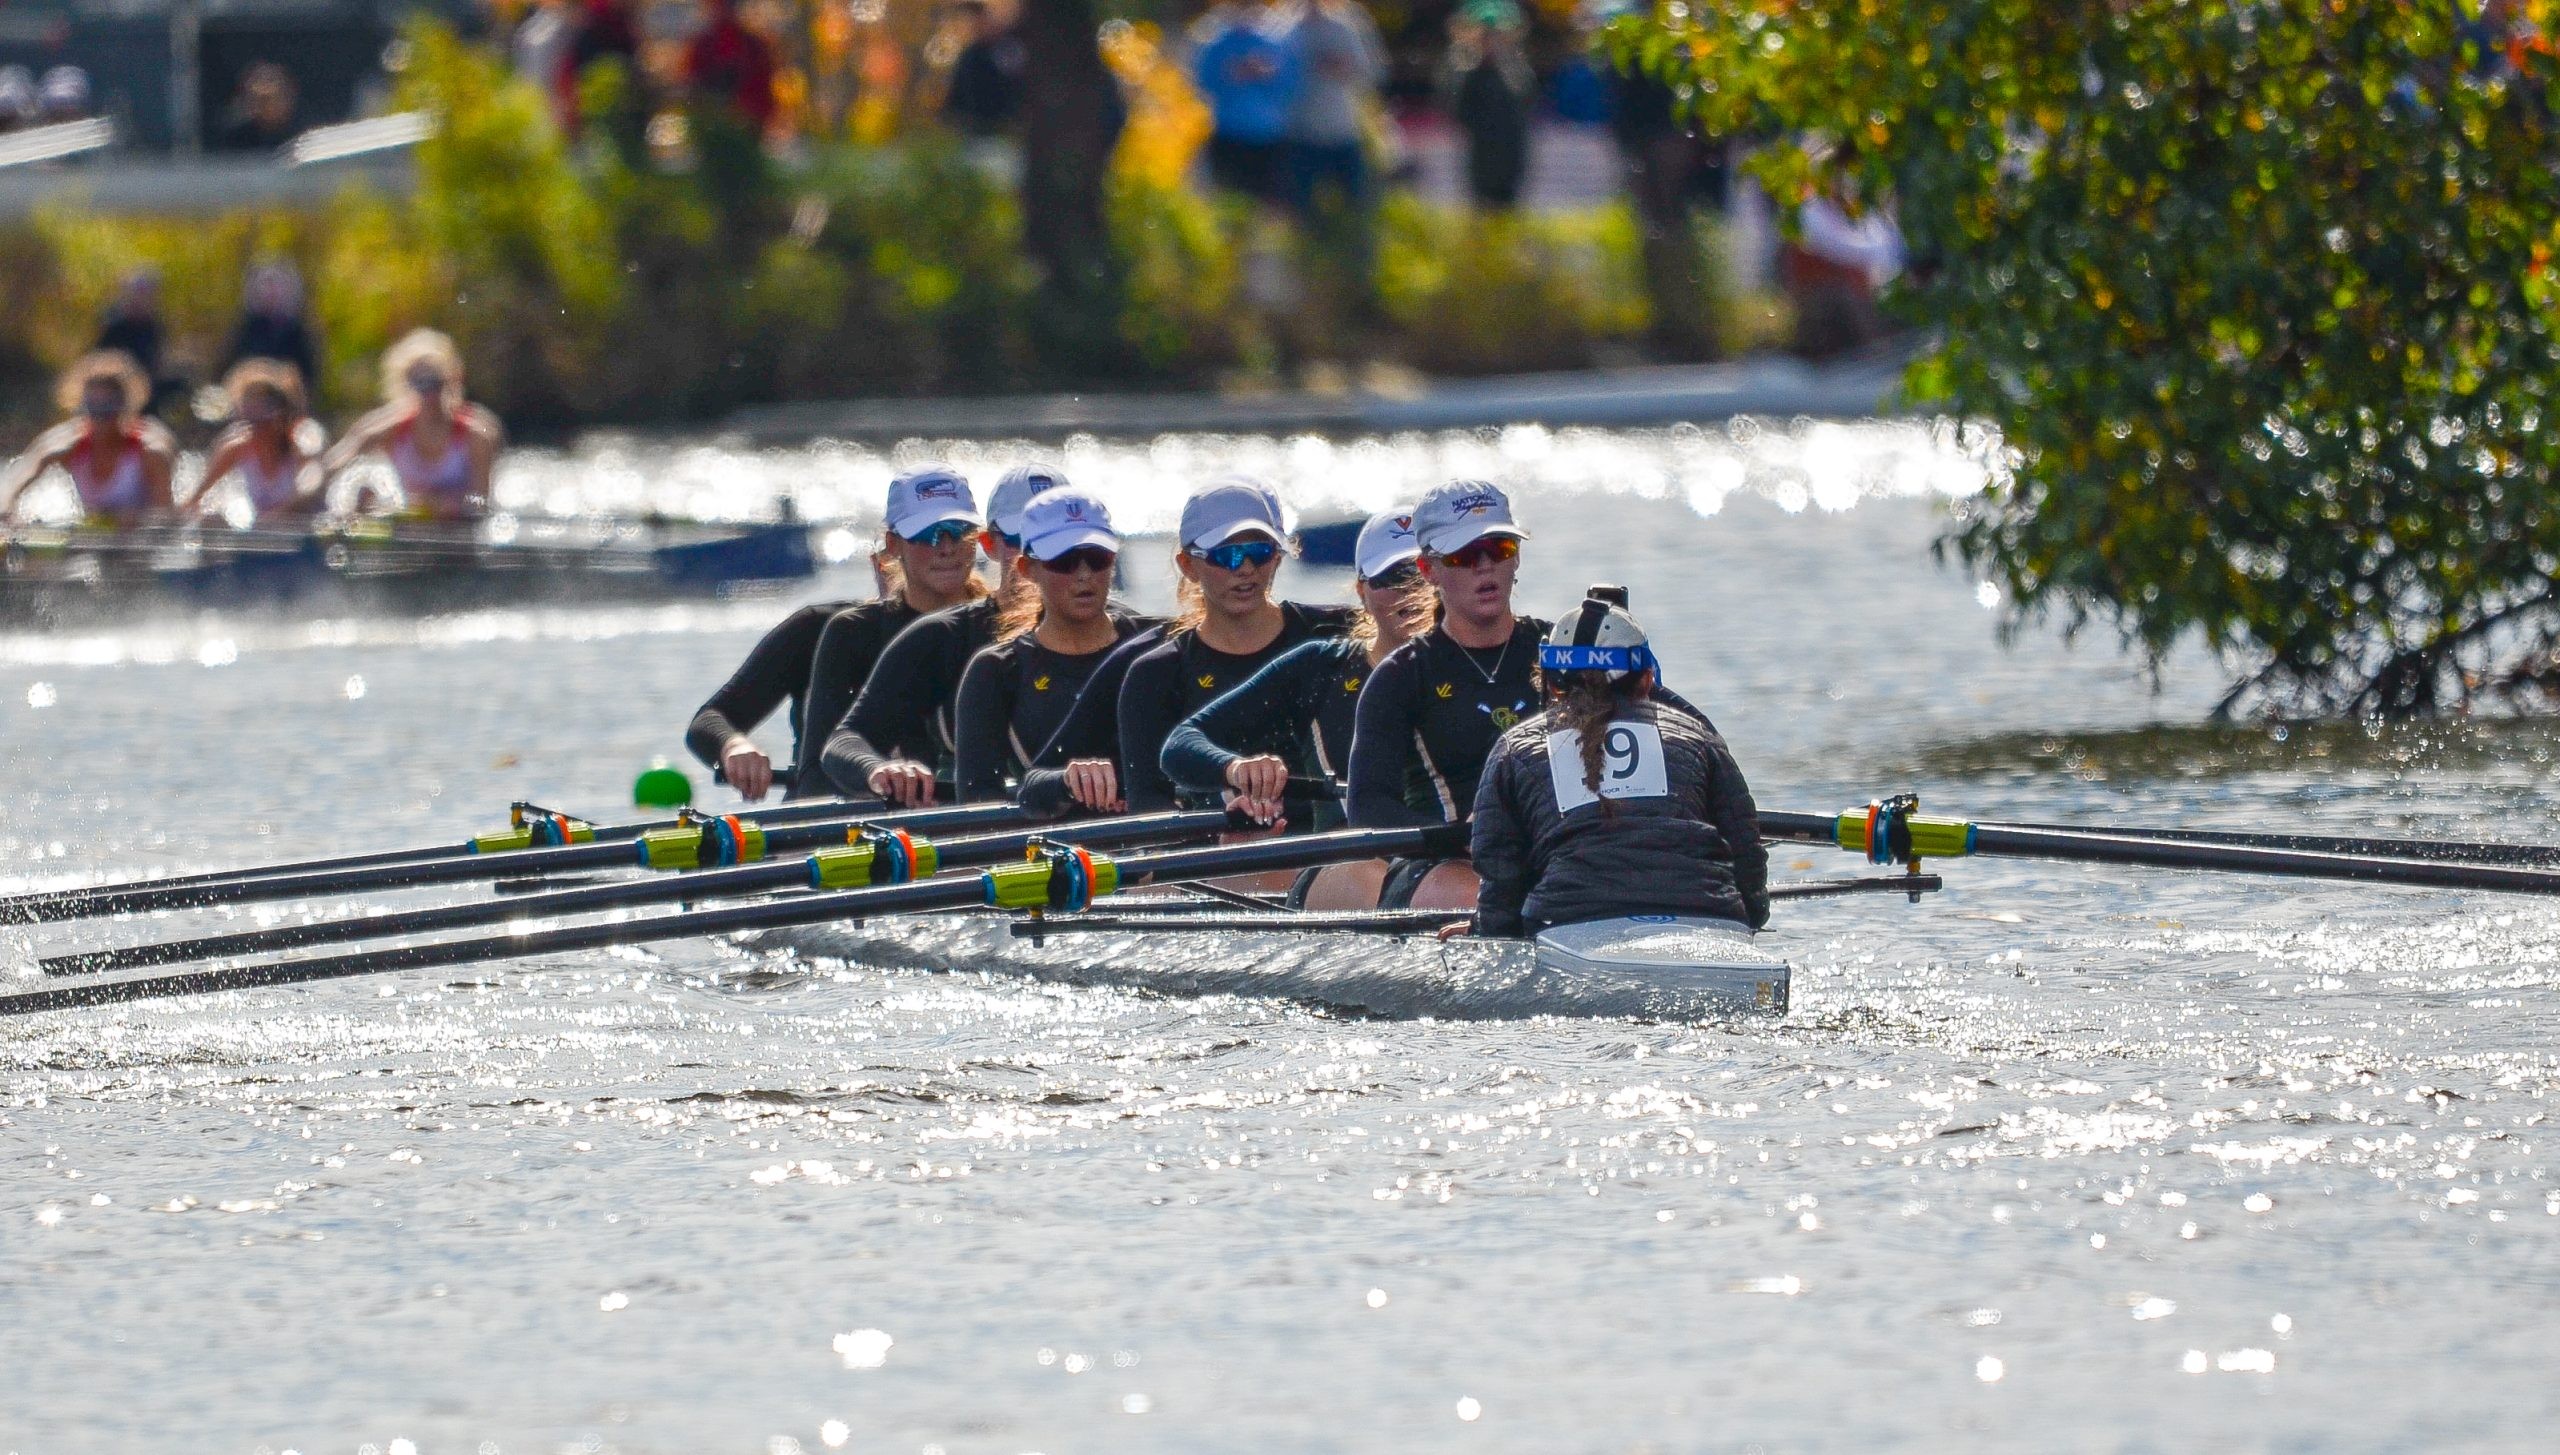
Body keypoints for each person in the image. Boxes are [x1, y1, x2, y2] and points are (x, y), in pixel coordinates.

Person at [1162, 506, 1431, 906]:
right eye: (1391, 579)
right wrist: (1234, 768)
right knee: (1377, 876)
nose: (1409, 593)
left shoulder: (1493, 663)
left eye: (1418, 576)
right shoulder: (1321, 667)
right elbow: (1181, 745)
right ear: (1361, 591)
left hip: (1453, 857)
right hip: (1349, 862)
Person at [1464, 594, 1769, 937]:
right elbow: (1747, 854)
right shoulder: (1698, 735)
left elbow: (1500, 873)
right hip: (1709, 915)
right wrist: (1751, 919)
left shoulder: (1514, 748)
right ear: (1648, 679)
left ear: (1550, 684)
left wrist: (1486, 935)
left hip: (1569, 922)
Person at [687, 466, 990, 803]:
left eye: (959, 531)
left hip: (954, 819)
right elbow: (711, 720)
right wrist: (734, 746)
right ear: (893, 546)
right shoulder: (834, 630)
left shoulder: (1000, 631)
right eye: (927, 534)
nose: (945, 547)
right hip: (838, 820)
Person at [1115, 477, 1358, 814]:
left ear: (1278, 557)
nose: (1245, 569)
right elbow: (1148, 806)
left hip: (1336, 849)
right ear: (1188, 566)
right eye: (1227, 556)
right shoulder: (1155, 673)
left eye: (1259, 553)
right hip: (1223, 854)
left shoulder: (1338, 636)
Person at [952, 488, 1151, 806]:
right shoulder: (996, 670)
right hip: (1049, 843)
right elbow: (978, 799)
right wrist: (1063, 784)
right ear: (1028, 570)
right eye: (1065, 561)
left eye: (1097, 558)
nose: (1085, 574)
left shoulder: (1157, 647)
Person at [315, 329, 504, 522]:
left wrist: (443, 505)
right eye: (419, 383)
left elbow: (481, 503)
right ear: (405, 383)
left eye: (435, 383)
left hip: (459, 535)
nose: (428, 394)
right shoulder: (388, 429)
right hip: (409, 532)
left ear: (452, 381)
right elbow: (329, 467)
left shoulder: (477, 436)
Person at [0, 352, 178, 528]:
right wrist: (9, 513)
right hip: (93, 540)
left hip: (142, 544)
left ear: (126, 407)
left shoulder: (151, 452)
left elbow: (165, 517)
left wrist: (133, 520)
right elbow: (15, 481)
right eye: (93, 407)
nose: (100, 418)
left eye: (108, 408)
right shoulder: (67, 444)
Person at [1189, 0, 1301, 205]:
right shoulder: (1218, 44)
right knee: (1229, 199)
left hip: (1268, 135)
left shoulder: (1273, 43)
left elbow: (1291, 84)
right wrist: (1232, 75)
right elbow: (1203, 83)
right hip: (1228, 133)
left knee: (1268, 203)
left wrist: (1267, 74)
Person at [192, 360, 324, 525]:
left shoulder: (301, 443)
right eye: (248, 421)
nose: (254, 430)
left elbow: (312, 488)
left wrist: (274, 516)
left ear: (281, 416)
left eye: (262, 421)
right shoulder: (237, 446)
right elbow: (197, 498)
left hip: (302, 537)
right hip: (261, 534)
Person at [1445, 0, 1532, 211]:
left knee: (1508, 209)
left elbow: (1526, 99)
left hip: (1510, 154)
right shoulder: (1466, 70)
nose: (1492, 41)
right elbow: (1456, 107)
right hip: (1481, 155)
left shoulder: (1515, 69)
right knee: (1481, 207)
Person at [223, 259, 321, 392]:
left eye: (277, 286)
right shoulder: (244, 330)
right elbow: (230, 367)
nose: (271, 292)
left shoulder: (300, 332)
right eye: (265, 286)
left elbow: (309, 374)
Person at [685, 0, 779, 136]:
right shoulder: (704, 45)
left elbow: (763, 88)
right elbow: (694, 85)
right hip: (715, 122)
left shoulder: (753, 46)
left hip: (746, 121)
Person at [217, 61, 300, 151]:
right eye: (261, 100)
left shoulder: (306, 134)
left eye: (270, 80)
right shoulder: (237, 139)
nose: (265, 89)